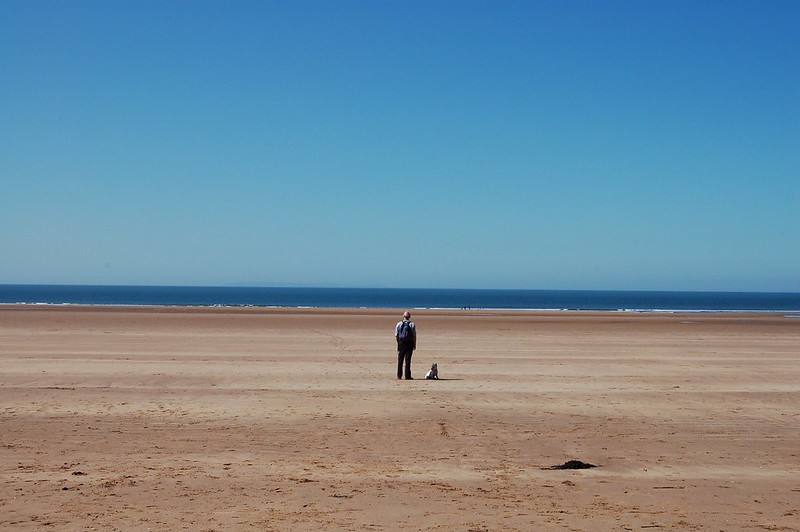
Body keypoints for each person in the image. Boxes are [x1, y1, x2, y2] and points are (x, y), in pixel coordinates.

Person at [394, 311, 417, 380]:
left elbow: (396, 335)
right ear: (409, 317)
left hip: (401, 343)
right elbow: (414, 335)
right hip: (409, 343)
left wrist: (398, 343)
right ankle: (407, 376)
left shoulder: (399, 324)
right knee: (408, 360)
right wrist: (414, 343)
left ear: (403, 316)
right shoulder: (412, 324)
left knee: (400, 360)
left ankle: (399, 375)